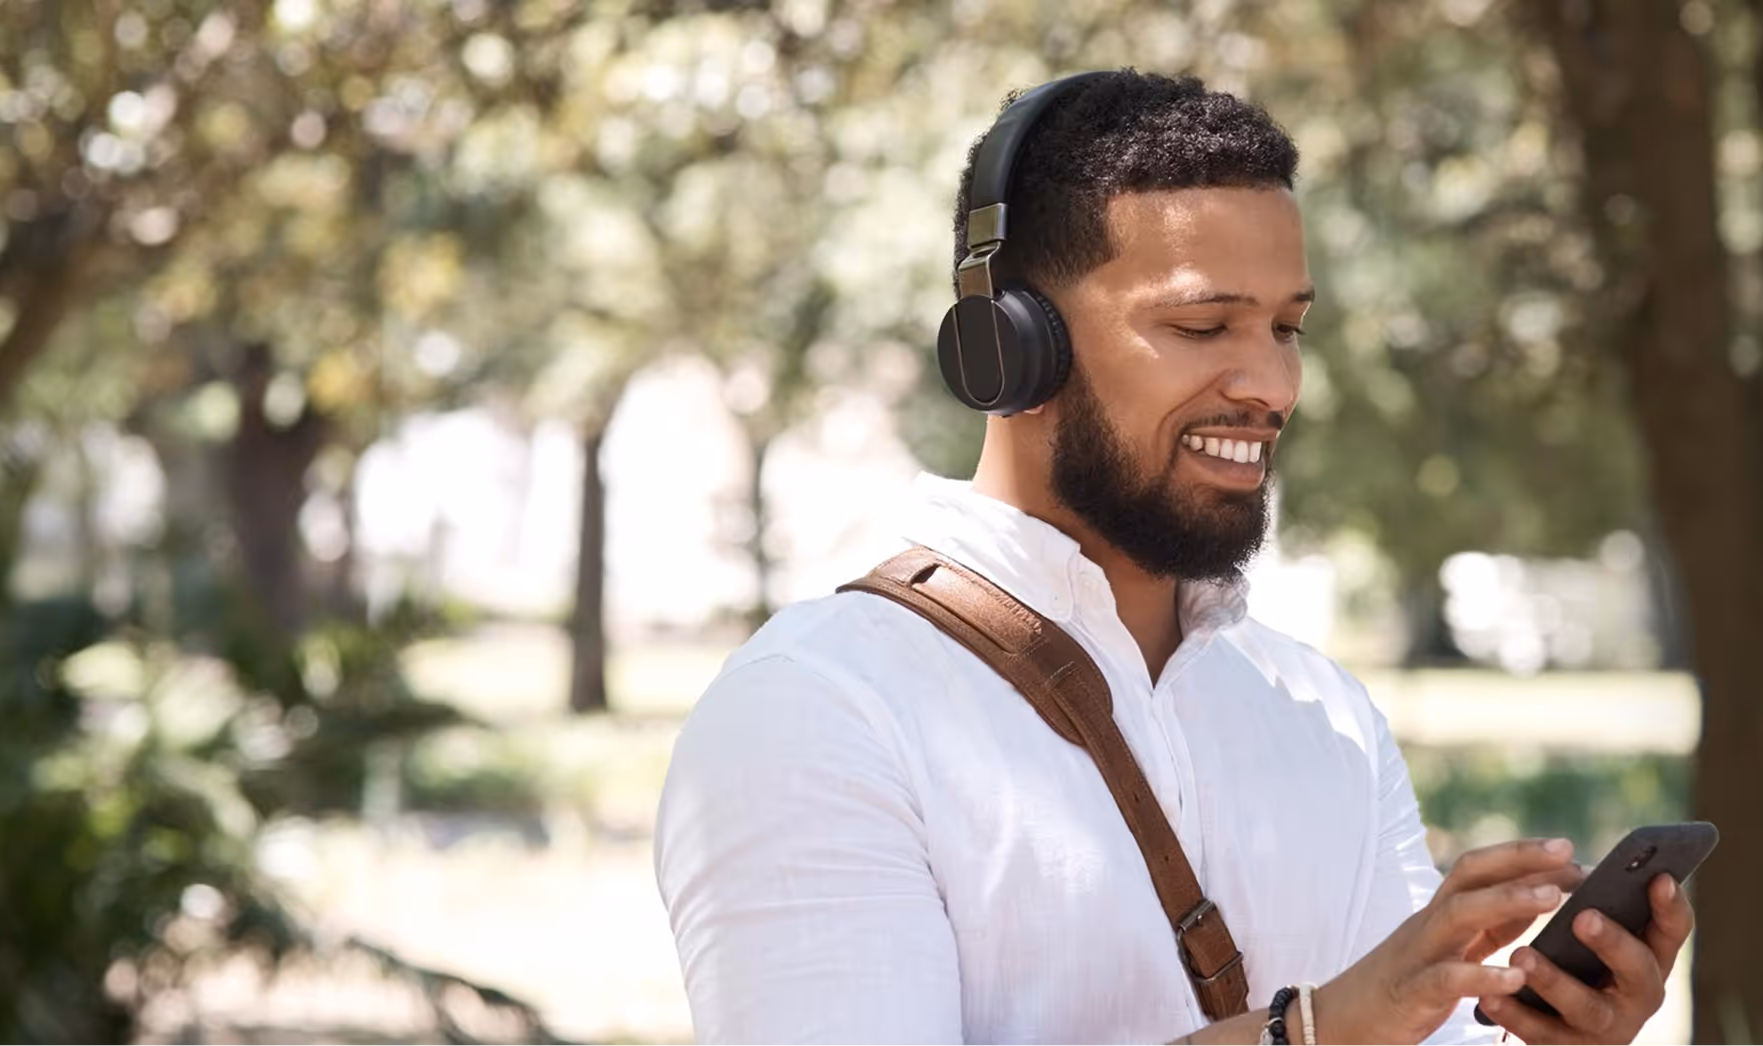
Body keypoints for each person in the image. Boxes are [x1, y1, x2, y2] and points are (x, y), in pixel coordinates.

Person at [652, 69, 1693, 1046]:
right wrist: (1309, 1030)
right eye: (1204, 325)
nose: (1271, 385)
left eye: (1287, 327)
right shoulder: (821, 709)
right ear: (1008, 346)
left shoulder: (1321, 712)